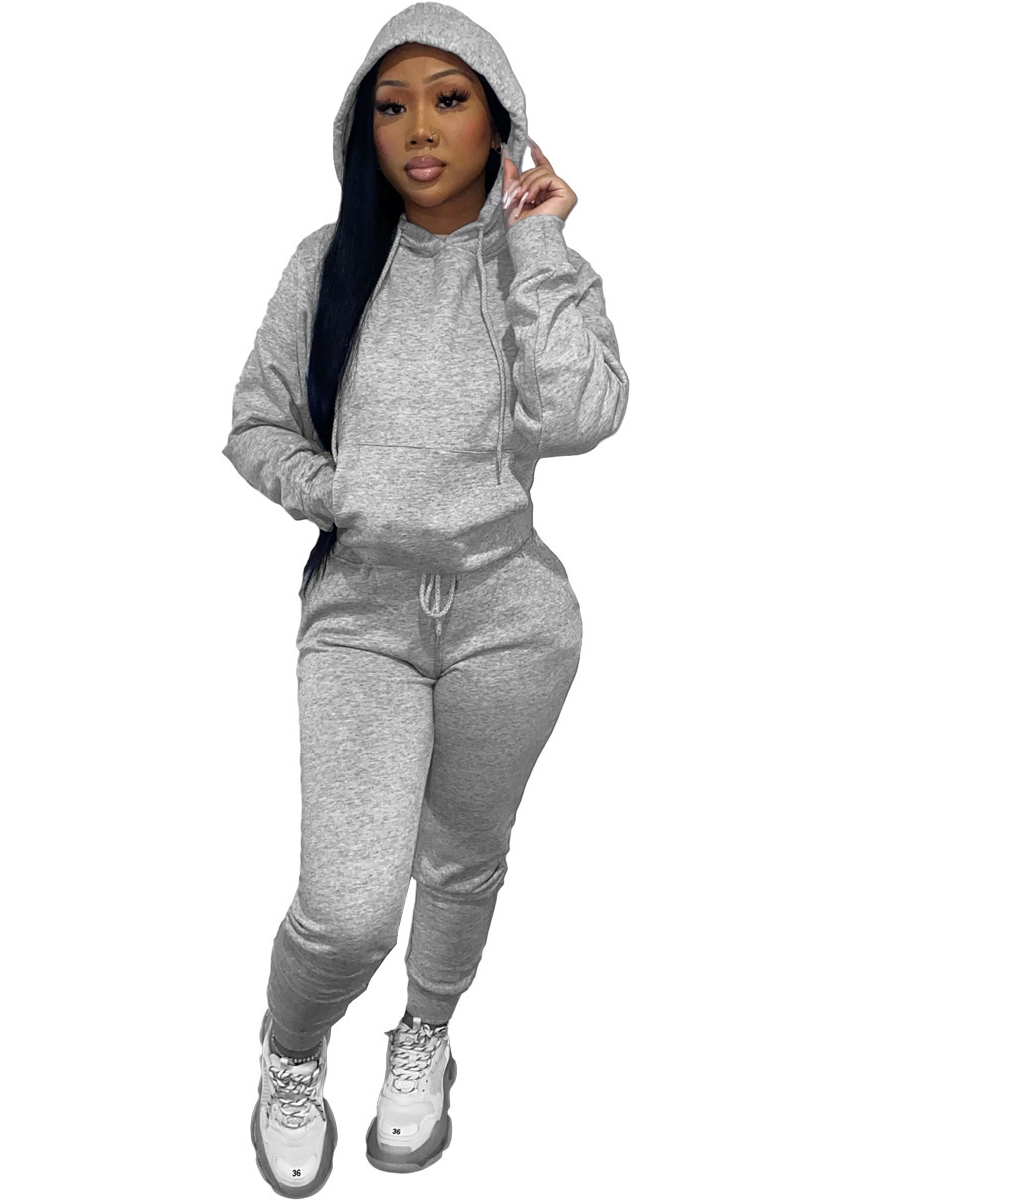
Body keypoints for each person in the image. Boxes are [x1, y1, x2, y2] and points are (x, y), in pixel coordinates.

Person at [223, 3, 630, 1192]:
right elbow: (254, 426)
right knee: (346, 908)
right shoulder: (326, 263)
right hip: (364, 615)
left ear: (500, 122)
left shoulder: (541, 268)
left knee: (461, 862)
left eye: (450, 101)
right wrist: (335, 493)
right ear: (363, 128)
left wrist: (540, 246)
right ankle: (291, 1050)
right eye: (392, 105)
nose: (418, 127)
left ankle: (427, 1037)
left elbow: (583, 416)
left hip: (514, 617)